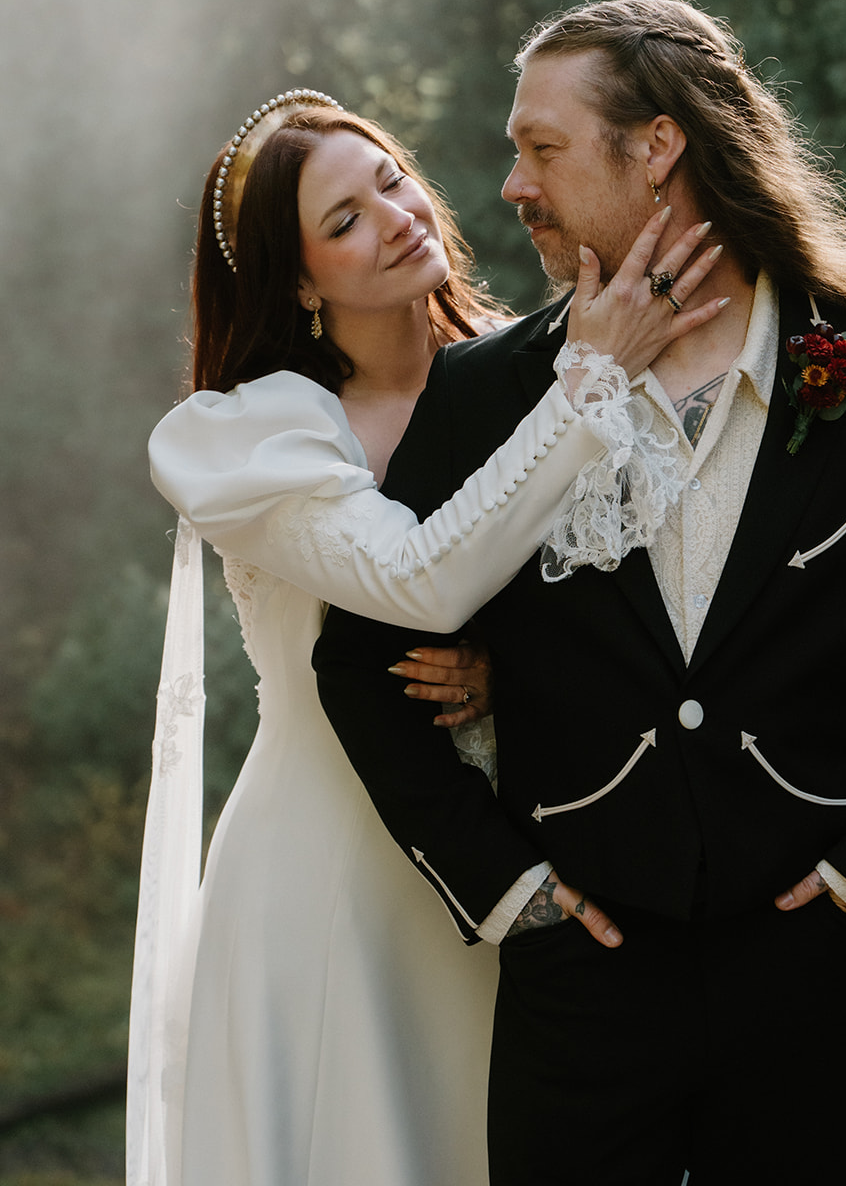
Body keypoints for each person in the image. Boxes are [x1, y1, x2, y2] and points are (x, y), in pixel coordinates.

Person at [313, 0, 846, 1186]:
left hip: (811, 974)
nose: (511, 187)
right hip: (576, 980)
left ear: (656, 147)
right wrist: (506, 891)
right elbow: (358, 667)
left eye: (541, 147)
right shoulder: (482, 395)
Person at [128, 86, 727, 1186]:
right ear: (299, 279)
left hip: (510, 855)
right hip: (329, 875)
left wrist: (506, 673)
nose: (397, 214)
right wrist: (593, 378)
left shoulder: (523, 372)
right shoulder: (251, 432)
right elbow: (416, 579)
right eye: (345, 219)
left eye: (391, 179)